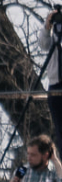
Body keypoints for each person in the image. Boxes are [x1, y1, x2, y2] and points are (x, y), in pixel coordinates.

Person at [40, 11, 62, 145]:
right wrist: (47, 27)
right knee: (60, 130)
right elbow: (43, 45)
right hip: (55, 83)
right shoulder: (56, 35)